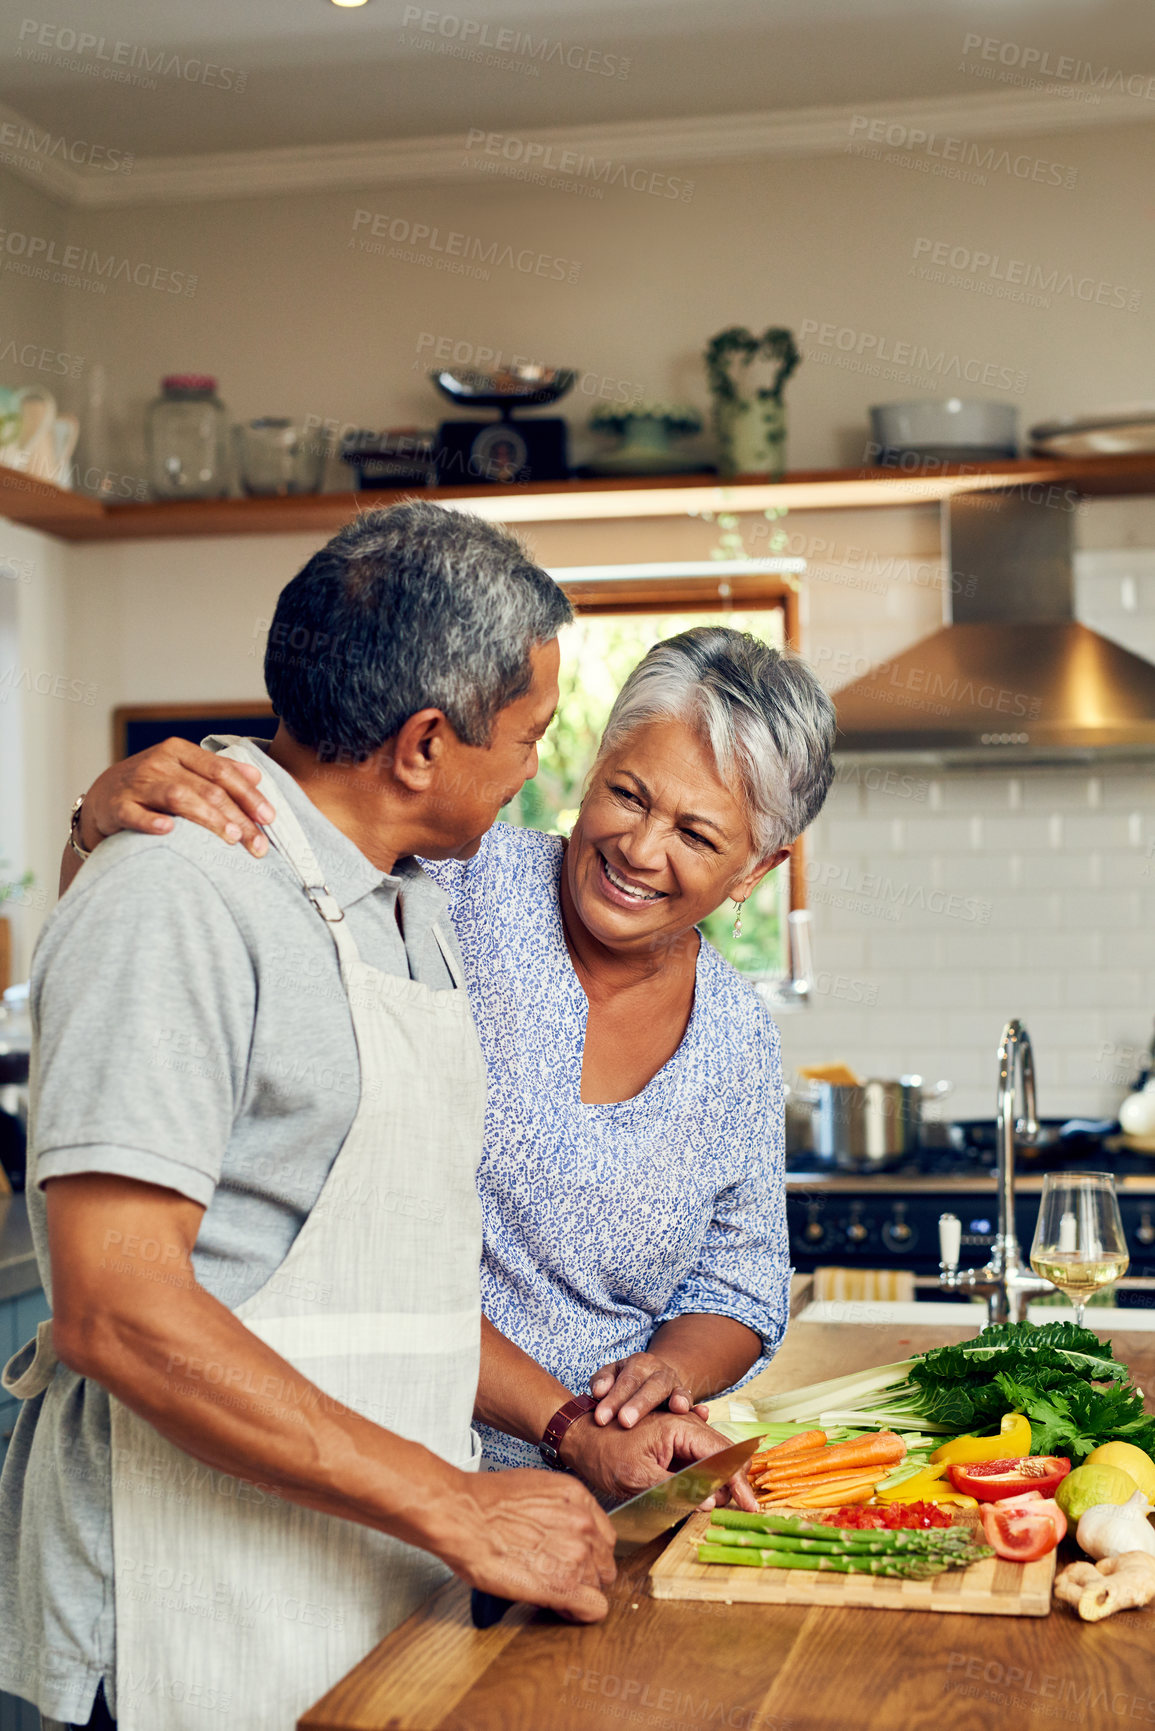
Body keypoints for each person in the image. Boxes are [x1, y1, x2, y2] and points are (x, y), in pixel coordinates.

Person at [0, 504, 742, 1731]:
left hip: (346, 1592)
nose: (539, 777)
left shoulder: (410, 911)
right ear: (423, 745)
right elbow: (115, 1311)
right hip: (161, 1628)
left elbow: (398, 1297)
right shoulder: (176, 890)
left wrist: (562, 1427)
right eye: (531, 739)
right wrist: (457, 1505)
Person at [65, 620, 836, 1478]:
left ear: (754, 871)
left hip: (614, 1487)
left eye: (697, 836)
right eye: (628, 794)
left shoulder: (735, 1034)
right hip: (371, 1463)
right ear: (590, 767)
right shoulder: (448, 876)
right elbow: (169, 911)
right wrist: (99, 822)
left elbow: (737, 1282)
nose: (640, 850)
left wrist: (661, 1380)